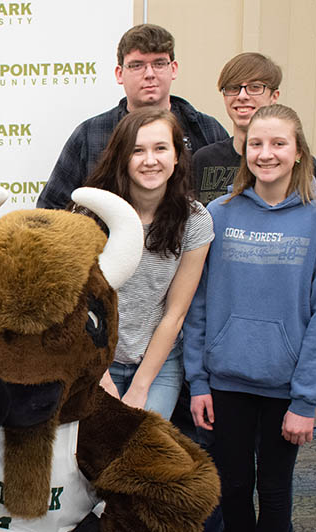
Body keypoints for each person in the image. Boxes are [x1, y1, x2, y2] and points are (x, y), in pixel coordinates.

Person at [184, 104, 316, 532]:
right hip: (225, 382)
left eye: (279, 144)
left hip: (284, 389)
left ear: (298, 153)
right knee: (232, 489)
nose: (266, 153)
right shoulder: (219, 212)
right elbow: (199, 302)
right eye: (256, 144)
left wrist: (305, 401)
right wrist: (198, 382)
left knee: (274, 494)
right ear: (245, 151)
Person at [82, 108, 212, 421]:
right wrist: (102, 379)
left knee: (141, 452)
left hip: (158, 363)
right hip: (96, 359)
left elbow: (175, 313)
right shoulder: (89, 215)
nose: (150, 160)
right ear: (121, 157)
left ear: (177, 156)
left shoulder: (195, 221)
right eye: (137, 150)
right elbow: (81, 308)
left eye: (160, 148)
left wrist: (140, 387)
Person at [37, 23, 228, 210]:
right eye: (137, 65)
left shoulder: (206, 129)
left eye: (159, 63)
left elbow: (233, 203)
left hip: (189, 239)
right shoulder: (90, 134)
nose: (150, 74)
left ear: (174, 69)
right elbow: (51, 208)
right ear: (120, 73)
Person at [192, 52, 316, 205]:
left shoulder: (296, 163)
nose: (242, 96)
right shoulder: (204, 159)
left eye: (254, 87)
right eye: (233, 88)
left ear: (274, 96)